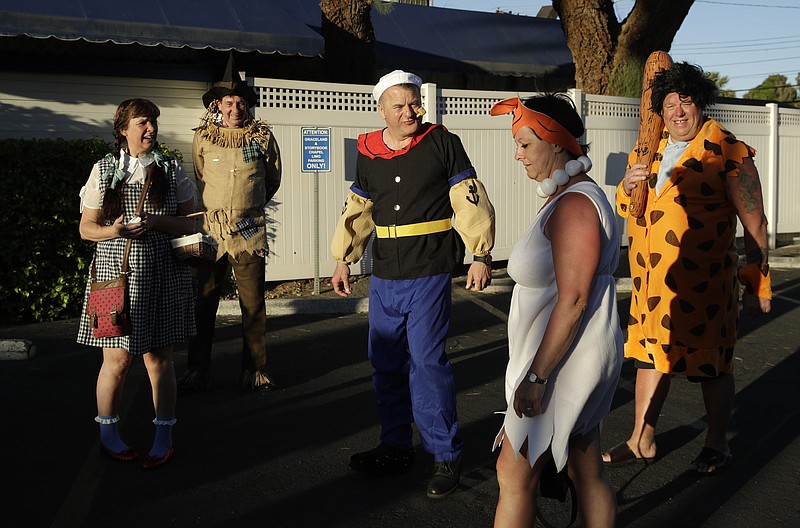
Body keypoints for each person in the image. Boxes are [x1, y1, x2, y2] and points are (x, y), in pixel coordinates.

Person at [330, 70, 495, 499]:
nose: (408, 112)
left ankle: (445, 454)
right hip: (385, 272)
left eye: (413, 103)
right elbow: (358, 209)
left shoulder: (443, 142)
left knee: (425, 361)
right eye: (398, 105)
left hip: (430, 267)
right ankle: (396, 446)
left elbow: (469, 197)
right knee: (384, 362)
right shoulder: (366, 152)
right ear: (380, 108)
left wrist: (480, 253)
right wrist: (344, 260)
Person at [604, 62, 771, 475]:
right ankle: (641, 439)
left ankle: (717, 443)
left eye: (687, 102)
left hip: (704, 287)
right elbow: (630, 207)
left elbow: (755, 223)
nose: (678, 112)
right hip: (651, 285)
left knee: (711, 366)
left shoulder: (727, 150)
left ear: (701, 104)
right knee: (648, 358)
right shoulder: (649, 148)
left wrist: (758, 285)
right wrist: (624, 188)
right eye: (669, 104)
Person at [489, 94, 623, 527]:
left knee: (513, 473)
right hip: (569, 353)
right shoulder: (570, 197)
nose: (518, 154)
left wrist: (536, 377)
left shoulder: (575, 205)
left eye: (526, 144)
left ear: (558, 142)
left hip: (563, 360)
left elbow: (574, 299)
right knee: (585, 468)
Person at [77, 98, 197, 469]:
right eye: (143, 122)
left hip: (161, 273)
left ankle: (164, 438)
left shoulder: (171, 168)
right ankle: (108, 435)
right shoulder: (103, 170)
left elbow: (192, 223)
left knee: (159, 360)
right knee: (115, 360)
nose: (151, 129)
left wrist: (156, 223)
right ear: (123, 130)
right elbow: (86, 228)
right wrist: (113, 229)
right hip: (112, 275)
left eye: (154, 122)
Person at [177, 55, 282, 393]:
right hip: (211, 233)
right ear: (218, 106)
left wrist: (247, 207)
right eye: (229, 102)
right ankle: (197, 369)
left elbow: (272, 180)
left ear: (247, 105)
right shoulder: (204, 138)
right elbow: (199, 175)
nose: (235, 108)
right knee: (204, 304)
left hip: (249, 233)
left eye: (240, 102)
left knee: (253, 306)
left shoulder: (262, 138)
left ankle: (255, 371)